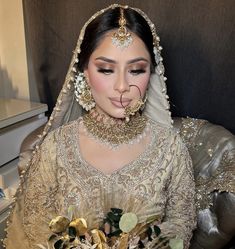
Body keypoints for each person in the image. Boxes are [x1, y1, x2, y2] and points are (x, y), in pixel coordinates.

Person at [4, 4, 196, 249]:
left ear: (152, 73)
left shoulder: (170, 147)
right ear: (84, 70)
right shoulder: (56, 146)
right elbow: (35, 223)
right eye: (106, 69)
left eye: (136, 70)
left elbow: (180, 224)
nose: (122, 86)